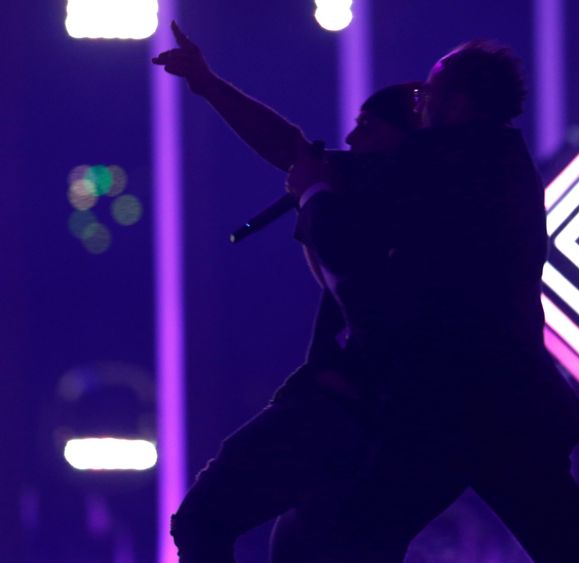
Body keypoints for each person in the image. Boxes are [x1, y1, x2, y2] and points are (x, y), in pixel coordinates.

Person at [280, 41, 579, 562]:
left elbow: (347, 240)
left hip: (452, 400)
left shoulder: (437, 160)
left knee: (350, 539)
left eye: (429, 94)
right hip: (505, 397)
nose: (419, 105)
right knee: (569, 543)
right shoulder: (501, 160)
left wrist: (312, 194)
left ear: (458, 104)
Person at [153, 22, 427, 563]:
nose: (350, 141)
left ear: (403, 137)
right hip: (384, 420)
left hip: (344, 409)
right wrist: (208, 84)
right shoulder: (429, 191)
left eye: (367, 127)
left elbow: (347, 263)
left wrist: (315, 194)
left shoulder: (402, 197)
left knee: (204, 520)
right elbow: (290, 148)